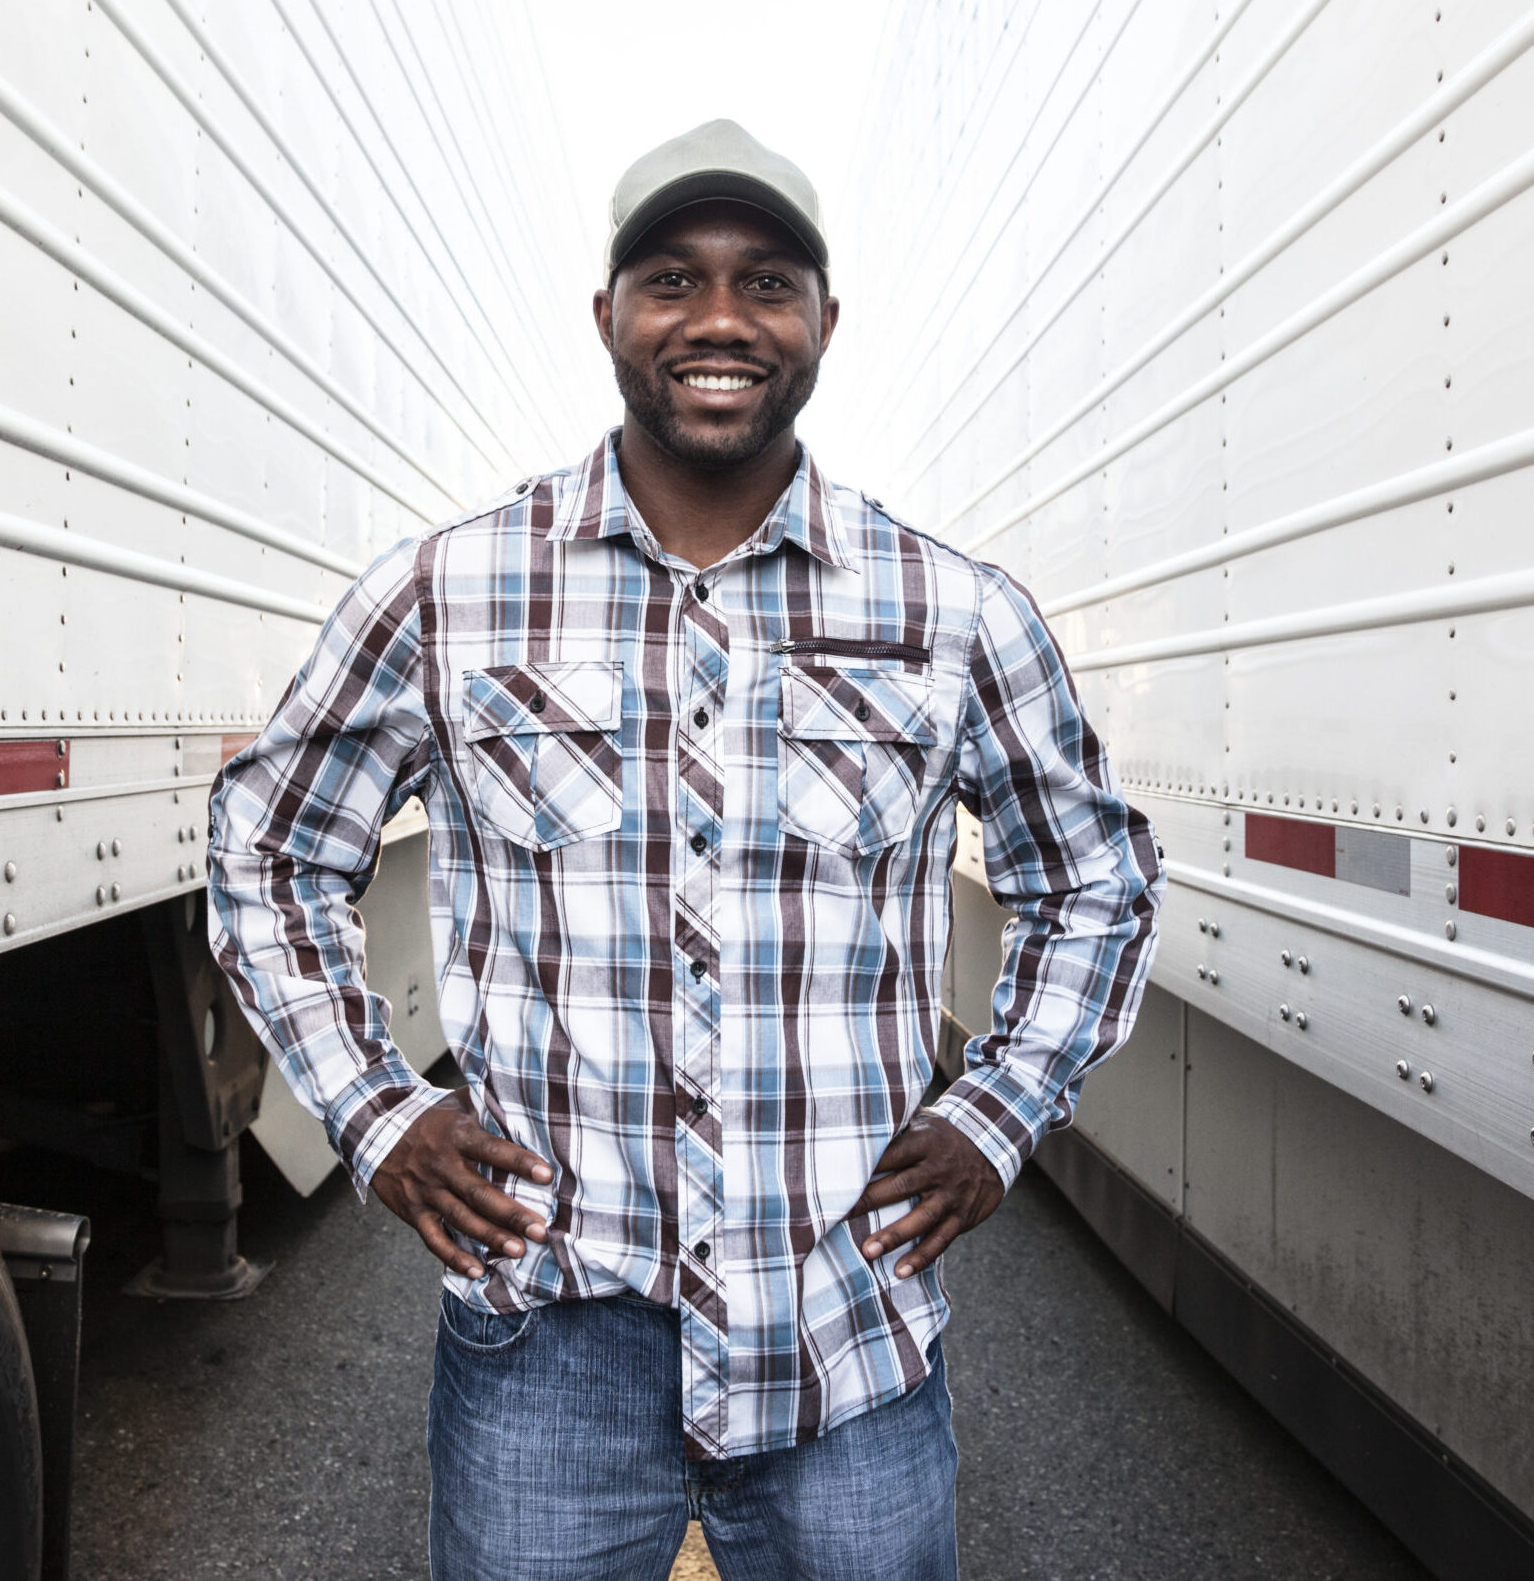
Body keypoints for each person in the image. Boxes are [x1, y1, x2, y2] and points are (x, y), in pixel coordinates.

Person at [208, 119, 1161, 1581]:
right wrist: (376, 1114)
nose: (719, 318)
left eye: (765, 282)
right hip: (547, 1353)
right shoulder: (450, 596)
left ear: (822, 322)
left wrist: (998, 1112)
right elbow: (269, 848)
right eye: (672, 279)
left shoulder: (952, 614)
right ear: (609, 316)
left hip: (847, 1352)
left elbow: (1092, 875)